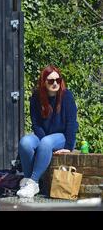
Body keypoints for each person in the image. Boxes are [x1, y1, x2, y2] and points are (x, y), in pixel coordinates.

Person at [17, 65, 79, 198]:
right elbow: (36, 124)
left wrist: (68, 146)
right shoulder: (36, 97)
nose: (55, 83)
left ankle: (33, 182)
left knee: (46, 142)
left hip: (62, 137)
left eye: (58, 79)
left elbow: (72, 123)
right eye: (51, 81)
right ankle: (28, 181)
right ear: (44, 82)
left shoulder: (66, 96)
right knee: (25, 142)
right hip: (43, 137)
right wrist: (42, 143)